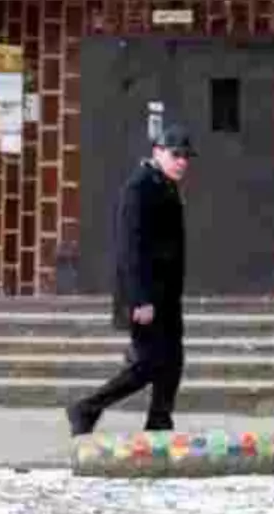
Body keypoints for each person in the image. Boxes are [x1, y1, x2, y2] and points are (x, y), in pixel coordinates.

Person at [67, 125, 194, 436]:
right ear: (157, 152)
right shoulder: (139, 188)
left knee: (173, 360)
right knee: (147, 364)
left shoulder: (164, 185)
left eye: (186, 157)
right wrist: (140, 299)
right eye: (176, 154)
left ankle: (159, 421)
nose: (182, 162)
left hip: (166, 295)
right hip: (146, 295)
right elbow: (129, 248)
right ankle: (86, 408)